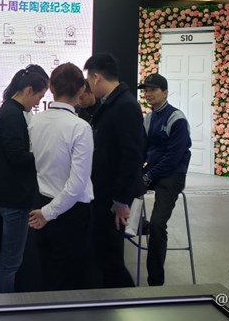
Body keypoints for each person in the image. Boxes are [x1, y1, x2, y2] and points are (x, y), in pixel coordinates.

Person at [28, 63, 94, 291]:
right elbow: (77, 184)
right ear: (81, 90)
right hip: (70, 213)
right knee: (70, 282)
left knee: (47, 274)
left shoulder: (35, 121)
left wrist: (46, 211)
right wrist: (49, 213)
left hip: (41, 204)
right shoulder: (80, 127)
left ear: (51, 88)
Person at [83, 53, 145, 288]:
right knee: (104, 254)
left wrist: (120, 199)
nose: (88, 86)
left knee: (110, 258)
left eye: (89, 80)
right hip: (104, 192)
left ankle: (127, 301)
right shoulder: (112, 103)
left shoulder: (125, 105)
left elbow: (132, 156)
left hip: (113, 197)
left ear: (97, 78)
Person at [0, 64, 49, 293]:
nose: (37, 103)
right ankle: (2, 305)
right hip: (14, 197)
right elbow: (17, 156)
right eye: (39, 97)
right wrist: (45, 154)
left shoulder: (8, 111)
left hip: (10, 195)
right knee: (11, 261)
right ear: (29, 90)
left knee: (11, 259)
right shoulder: (13, 115)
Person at [138, 73, 192, 286]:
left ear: (165, 92)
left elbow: (173, 158)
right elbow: (142, 150)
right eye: (146, 90)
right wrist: (136, 173)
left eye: (153, 90)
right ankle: (139, 223)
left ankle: (155, 282)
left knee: (158, 225)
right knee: (123, 189)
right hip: (153, 170)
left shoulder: (177, 118)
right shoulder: (148, 118)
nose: (148, 94)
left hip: (172, 175)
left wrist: (149, 175)